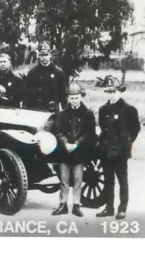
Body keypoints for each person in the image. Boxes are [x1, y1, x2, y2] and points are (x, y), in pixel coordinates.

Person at [96, 76, 140, 220]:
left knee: (122, 180)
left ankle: (122, 209)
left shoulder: (129, 110)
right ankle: (109, 208)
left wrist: (127, 142)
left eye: (113, 91)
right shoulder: (103, 110)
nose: (111, 94)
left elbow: (135, 129)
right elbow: (103, 128)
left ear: (119, 91)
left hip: (121, 150)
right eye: (108, 92)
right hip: (106, 150)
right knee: (108, 181)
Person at [52, 82, 97, 217]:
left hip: (79, 152)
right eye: (71, 98)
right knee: (64, 180)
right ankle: (63, 205)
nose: (74, 100)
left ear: (81, 97)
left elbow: (89, 133)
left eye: (76, 97)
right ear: (68, 99)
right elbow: (58, 131)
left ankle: (76, 205)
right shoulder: (62, 113)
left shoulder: (88, 113)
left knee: (78, 179)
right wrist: (66, 143)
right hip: (65, 152)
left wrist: (77, 144)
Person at [24, 42, 67, 112]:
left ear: (50, 55)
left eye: (46, 55)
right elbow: (27, 93)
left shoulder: (58, 72)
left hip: (51, 108)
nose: (44, 58)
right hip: (35, 108)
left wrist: (65, 110)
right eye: (41, 55)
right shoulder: (32, 73)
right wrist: (25, 108)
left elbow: (63, 94)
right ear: (38, 56)